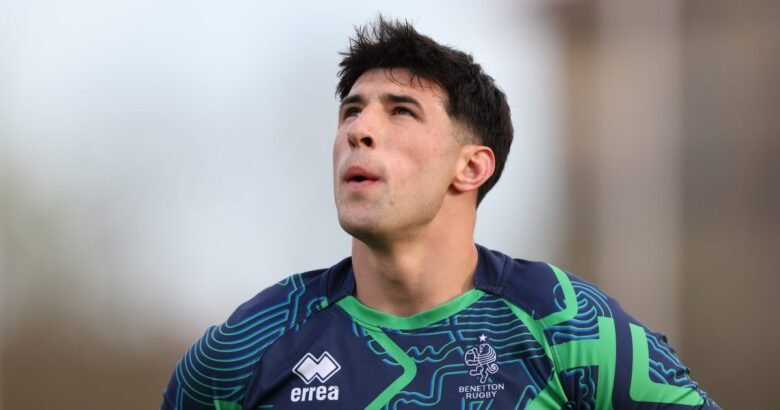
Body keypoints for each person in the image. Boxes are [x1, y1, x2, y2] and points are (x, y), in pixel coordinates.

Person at [161, 17, 717, 409]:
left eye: (401, 111)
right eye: (351, 112)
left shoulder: (568, 326)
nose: (358, 130)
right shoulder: (250, 346)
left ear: (471, 167)